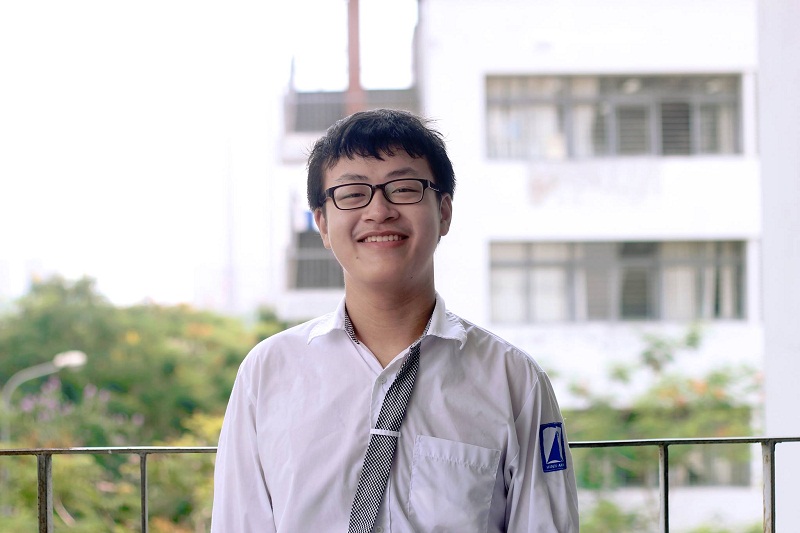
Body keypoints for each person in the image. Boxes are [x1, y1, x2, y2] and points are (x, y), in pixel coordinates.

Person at [211, 108, 579, 532]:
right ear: (322, 224)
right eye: (352, 194)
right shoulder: (267, 373)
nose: (379, 210)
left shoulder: (513, 380)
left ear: (444, 212)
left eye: (403, 189)